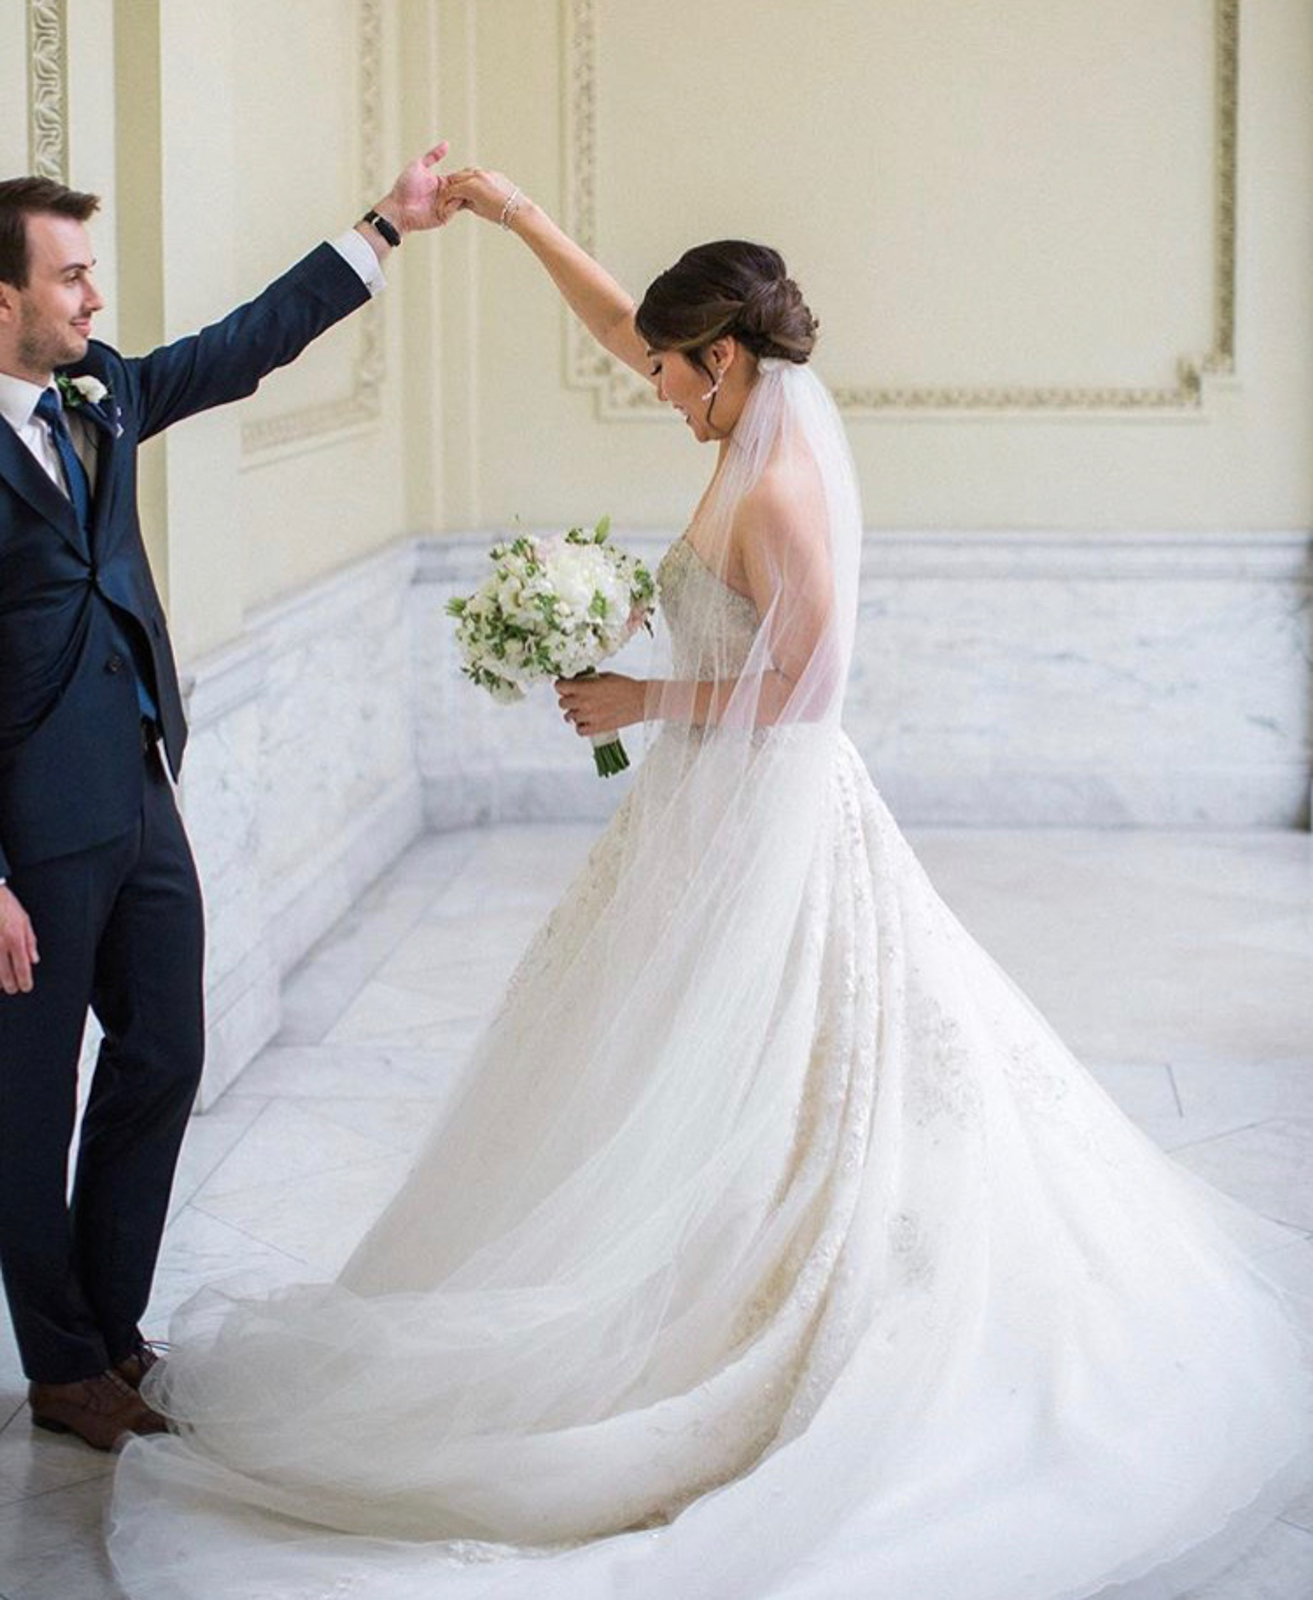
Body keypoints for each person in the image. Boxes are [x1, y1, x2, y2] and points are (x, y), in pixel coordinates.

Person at [107, 169, 1311, 1600]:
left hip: (767, 816)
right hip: (696, 814)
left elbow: (808, 694)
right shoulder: (745, 422)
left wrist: (640, 698)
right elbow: (623, 321)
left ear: (724, 359)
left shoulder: (783, 489)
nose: (657, 389)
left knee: (776, 1070)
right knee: (640, 1067)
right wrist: (513, 216)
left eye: (672, 374)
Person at [0, 145, 452, 1452]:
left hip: (138, 788)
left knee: (165, 1051)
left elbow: (239, 348)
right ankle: (63, 1368)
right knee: (28, 1109)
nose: (93, 297)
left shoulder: (100, 392)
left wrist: (382, 229)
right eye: (69, 276)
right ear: (3, 297)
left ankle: (111, 1329)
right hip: (29, 833)